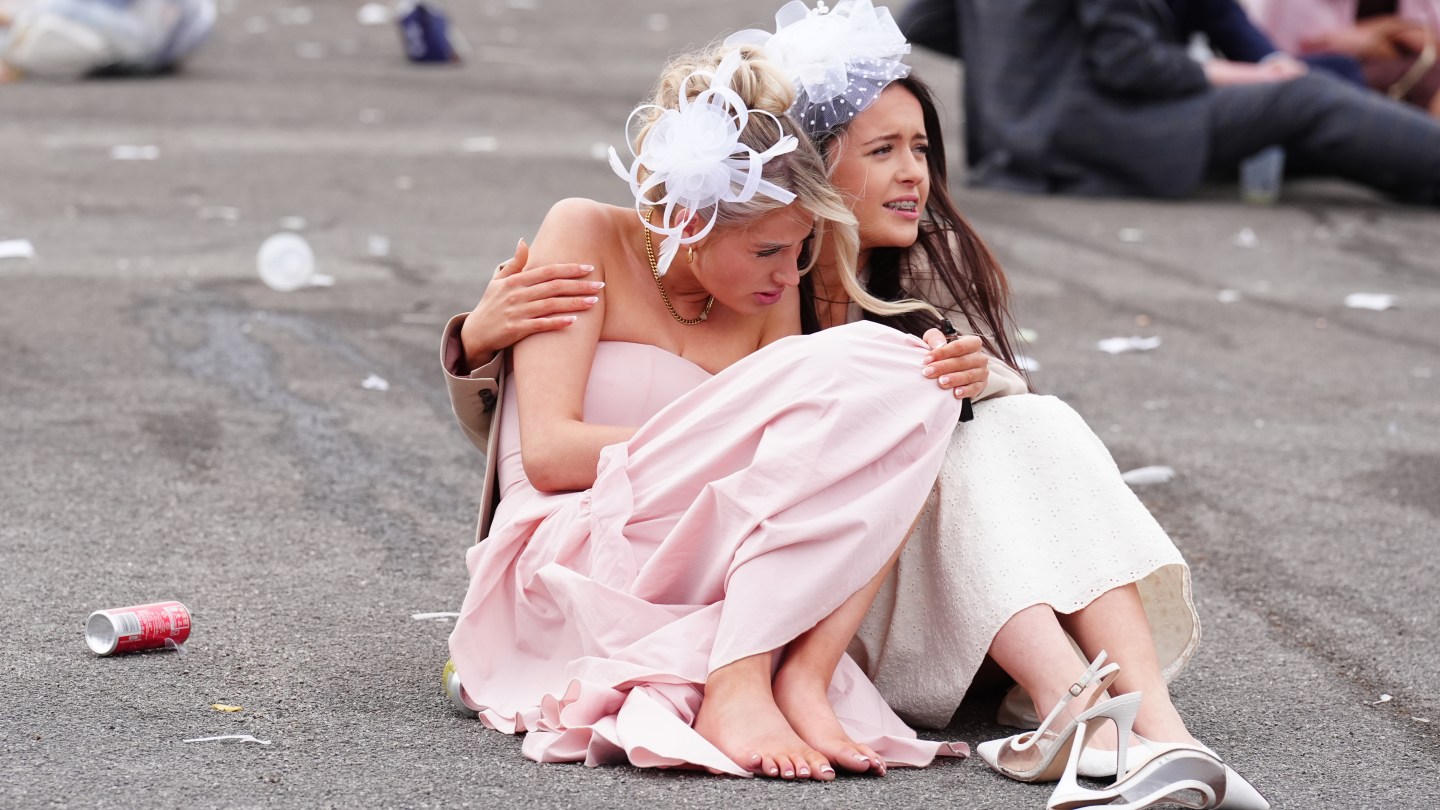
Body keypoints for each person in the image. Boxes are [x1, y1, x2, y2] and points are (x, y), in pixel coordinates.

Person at [442, 43, 971, 780]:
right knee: (845, 402)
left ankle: (801, 674)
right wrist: (727, 442)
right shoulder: (585, 233)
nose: (788, 274)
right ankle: (739, 676)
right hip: (575, 541)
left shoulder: (771, 289)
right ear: (688, 220)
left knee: (914, 374)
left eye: (800, 250)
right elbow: (551, 456)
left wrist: (954, 371)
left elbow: (796, 463)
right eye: (768, 251)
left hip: (700, 542)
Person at [898, 0, 1440, 203]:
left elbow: (923, 22)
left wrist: (1026, 64)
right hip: (1103, 132)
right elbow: (1132, 63)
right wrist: (1257, 76)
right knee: (1305, 97)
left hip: (1011, 142)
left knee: (1301, 130)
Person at [1247, 0, 1440, 117]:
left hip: (1396, 77)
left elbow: (1431, 42)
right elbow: (1315, 49)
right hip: (1325, 77)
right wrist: (1395, 38)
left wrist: (1383, 28)